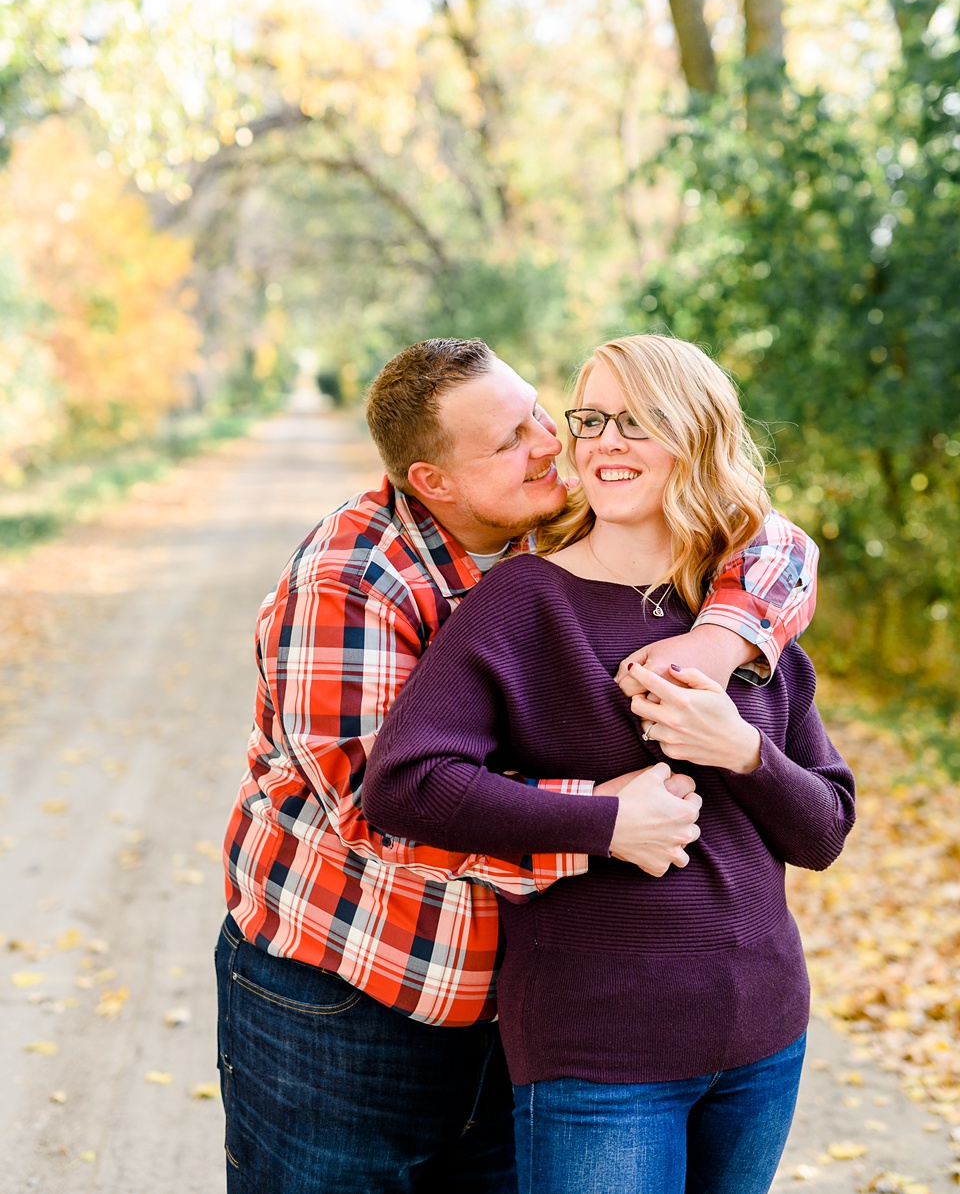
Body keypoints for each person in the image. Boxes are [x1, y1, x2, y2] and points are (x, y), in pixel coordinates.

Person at [217, 337, 820, 1194]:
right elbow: (375, 810)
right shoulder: (354, 584)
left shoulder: (571, 515)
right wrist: (604, 824)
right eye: (509, 441)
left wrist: (717, 645)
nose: (549, 444)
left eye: (540, 412)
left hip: (521, 1001)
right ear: (436, 483)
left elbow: (773, 540)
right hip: (351, 987)